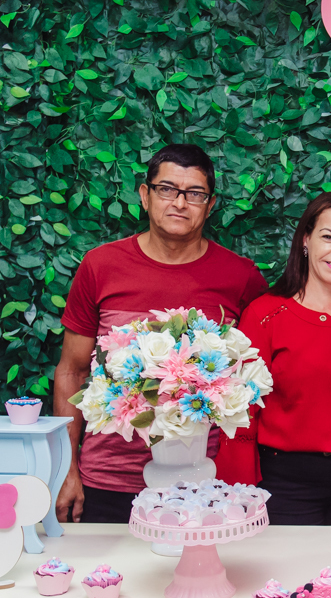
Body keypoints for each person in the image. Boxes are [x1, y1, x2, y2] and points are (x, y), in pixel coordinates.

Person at [55, 144, 267, 524]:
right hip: (107, 479)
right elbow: (72, 370)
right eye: (167, 189)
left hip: (202, 485)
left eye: (194, 193)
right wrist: (65, 469)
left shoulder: (240, 277)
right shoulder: (101, 266)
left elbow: (254, 375)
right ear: (145, 194)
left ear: (210, 204)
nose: (179, 203)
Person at [215, 192, 331, 525]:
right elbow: (240, 411)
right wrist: (238, 493)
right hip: (283, 481)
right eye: (329, 237)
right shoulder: (265, 315)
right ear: (306, 240)